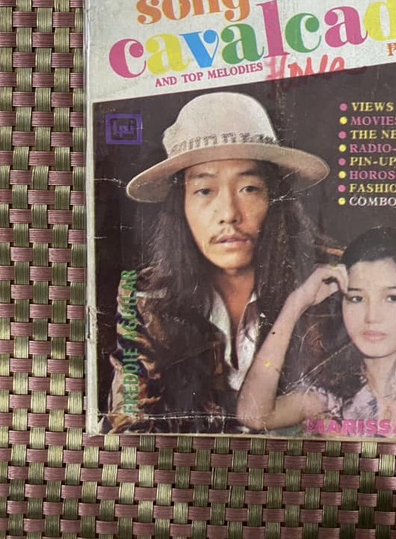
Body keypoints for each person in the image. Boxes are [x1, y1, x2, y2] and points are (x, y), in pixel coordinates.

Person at [104, 91, 337, 433]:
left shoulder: (331, 284)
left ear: (275, 198)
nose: (229, 213)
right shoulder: (144, 299)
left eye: (249, 188)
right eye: (204, 191)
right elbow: (127, 423)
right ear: (180, 205)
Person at [236, 226, 396, 439]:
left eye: (392, 298)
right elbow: (253, 415)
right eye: (356, 298)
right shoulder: (329, 400)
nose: (372, 316)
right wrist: (295, 305)